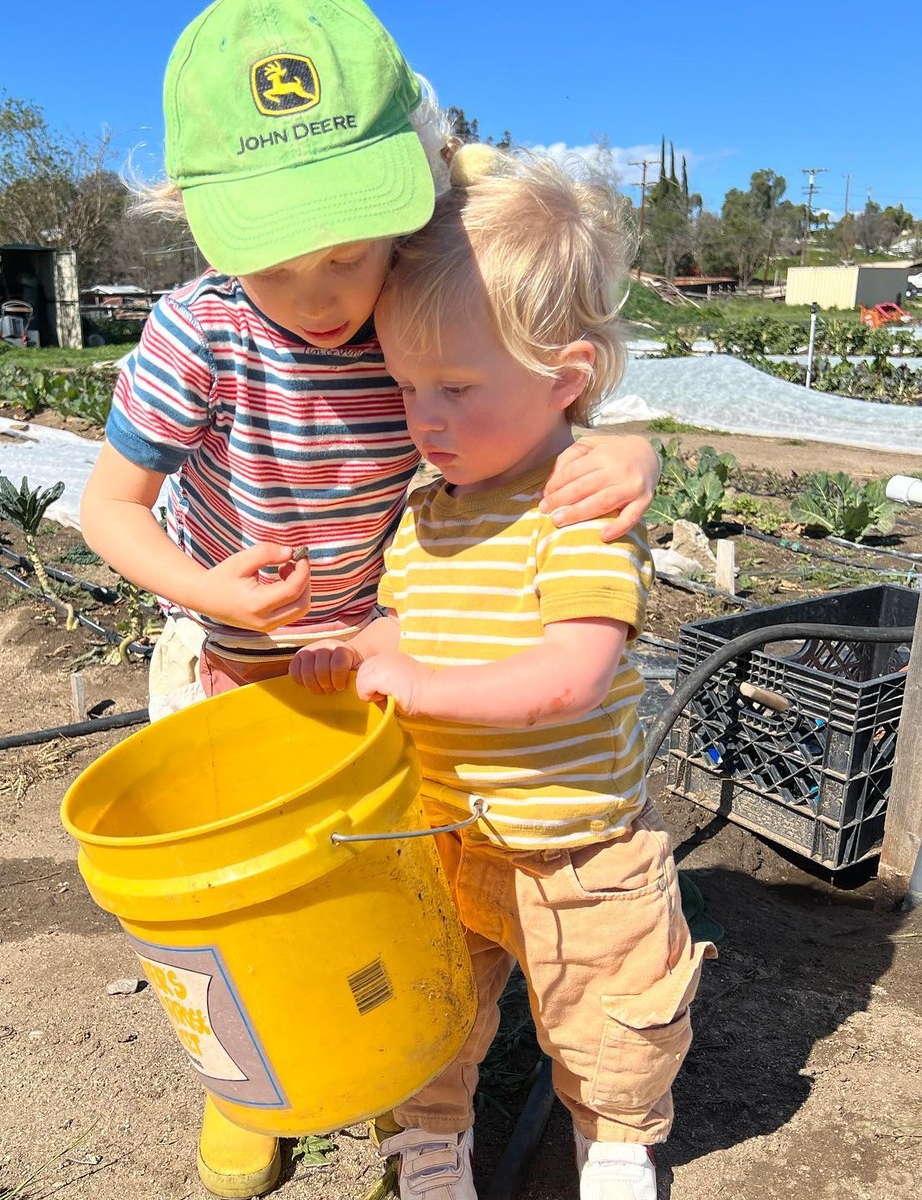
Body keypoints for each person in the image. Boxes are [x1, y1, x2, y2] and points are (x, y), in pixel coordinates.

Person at [79, 2, 662, 1195]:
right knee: (229, 902)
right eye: (277, 260)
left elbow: (535, 376)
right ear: (197, 217)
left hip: (376, 661)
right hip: (231, 659)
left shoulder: (417, 301)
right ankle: (252, 1090)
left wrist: (628, 446)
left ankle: (400, 1074)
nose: (321, 294)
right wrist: (204, 589)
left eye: (349, 251)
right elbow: (108, 510)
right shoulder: (203, 335)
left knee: (367, 889)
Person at [290, 146, 715, 1200]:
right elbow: (408, 625)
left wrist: (423, 690)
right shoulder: (428, 512)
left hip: (575, 844)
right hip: (444, 833)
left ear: (565, 378)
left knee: (609, 1014)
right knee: (431, 1001)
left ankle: (615, 1144)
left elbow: (572, 674)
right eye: (405, 386)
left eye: (456, 387)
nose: (423, 417)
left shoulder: (576, 508)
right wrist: (357, 653)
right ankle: (435, 1139)